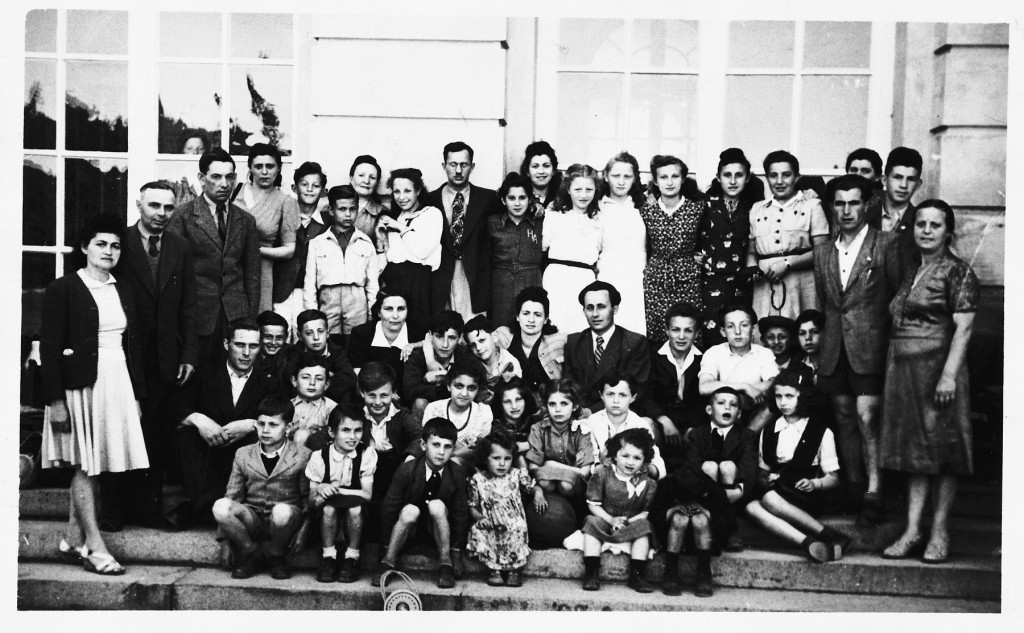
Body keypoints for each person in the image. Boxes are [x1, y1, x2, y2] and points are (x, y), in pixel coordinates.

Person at [40, 213, 148, 575]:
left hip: (117, 381)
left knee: (95, 465)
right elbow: (50, 348)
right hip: (80, 387)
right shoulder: (64, 288)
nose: (109, 251)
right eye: (101, 244)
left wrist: (135, 395)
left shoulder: (124, 289)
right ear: (85, 247)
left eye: (115, 245)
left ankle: (72, 540)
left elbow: (132, 346)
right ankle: (95, 546)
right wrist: (54, 400)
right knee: (87, 466)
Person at [880, 199, 979, 564]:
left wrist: (949, 376)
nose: (926, 230)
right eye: (921, 223)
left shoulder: (958, 272)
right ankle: (912, 530)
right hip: (904, 370)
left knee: (943, 450)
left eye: (935, 225)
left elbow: (964, 328)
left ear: (948, 232)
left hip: (939, 371)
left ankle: (939, 532)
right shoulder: (912, 270)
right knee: (915, 452)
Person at [102, 181, 197, 532]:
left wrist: (188, 352)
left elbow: (188, 303)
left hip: (165, 358)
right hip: (123, 353)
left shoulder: (180, 247)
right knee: (119, 430)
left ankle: (146, 508)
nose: (161, 214)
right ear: (138, 204)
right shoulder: (118, 243)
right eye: (154, 206)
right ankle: (113, 510)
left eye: (168, 208)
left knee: (154, 434)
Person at [813, 174, 904, 527]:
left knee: (868, 418)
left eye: (854, 202)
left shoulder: (887, 244)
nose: (846, 210)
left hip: (871, 348)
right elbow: (827, 304)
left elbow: (898, 297)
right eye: (839, 203)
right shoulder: (823, 252)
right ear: (831, 206)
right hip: (835, 349)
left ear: (867, 204)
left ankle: (874, 492)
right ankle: (853, 487)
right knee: (844, 418)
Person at [167, 318, 283, 529]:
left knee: (258, 438)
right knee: (185, 436)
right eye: (240, 345)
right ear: (226, 344)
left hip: (239, 457)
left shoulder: (269, 381)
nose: (246, 353)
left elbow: (279, 418)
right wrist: (198, 419)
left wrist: (250, 424)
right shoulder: (205, 373)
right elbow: (176, 405)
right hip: (207, 453)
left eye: (253, 346)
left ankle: (198, 509)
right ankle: (213, 506)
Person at [745, 370, 851, 563]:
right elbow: (764, 469)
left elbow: (834, 479)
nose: (783, 402)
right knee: (752, 506)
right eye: (778, 396)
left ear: (803, 397)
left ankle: (825, 533)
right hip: (779, 492)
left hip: (806, 495)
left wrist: (815, 484)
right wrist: (764, 478)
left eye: (789, 396)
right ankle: (807, 542)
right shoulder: (769, 430)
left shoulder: (820, 432)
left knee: (768, 499)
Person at [168, 148, 261, 366]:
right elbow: (174, 273)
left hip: (235, 315)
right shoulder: (183, 215)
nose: (224, 184)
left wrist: (248, 318)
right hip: (198, 316)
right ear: (202, 179)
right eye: (216, 177)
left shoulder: (245, 220)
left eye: (229, 177)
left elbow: (253, 275)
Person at [212, 394, 309, 580]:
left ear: (288, 427)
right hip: (254, 519)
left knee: (282, 512)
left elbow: (308, 499)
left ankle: (276, 554)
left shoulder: (303, 456)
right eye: (261, 424)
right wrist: (225, 541)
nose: (265, 430)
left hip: (285, 519)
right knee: (221, 506)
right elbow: (232, 495)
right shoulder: (243, 454)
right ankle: (252, 551)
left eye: (273, 425)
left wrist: (304, 531)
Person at [376, 417, 469, 589]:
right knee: (410, 510)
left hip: (438, 532)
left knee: (437, 506)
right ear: (423, 445)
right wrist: (385, 545)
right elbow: (389, 509)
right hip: (409, 531)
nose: (441, 452)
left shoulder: (456, 473)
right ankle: (388, 560)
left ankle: (445, 563)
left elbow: (460, 514)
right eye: (436, 445)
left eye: (447, 447)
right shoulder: (408, 469)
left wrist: (456, 554)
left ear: (453, 450)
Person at [746, 150, 829, 323]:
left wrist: (787, 264)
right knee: (765, 333)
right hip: (765, 285)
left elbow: (823, 250)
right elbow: (752, 251)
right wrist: (753, 268)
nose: (779, 181)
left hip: (801, 284)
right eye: (773, 175)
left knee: (802, 332)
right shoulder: (757, 209)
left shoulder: (812, 205)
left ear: (797, 177)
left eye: (786, 175)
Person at [698, 148, 764, 347]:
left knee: (738, 336)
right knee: (711, 336)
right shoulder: (705, 205)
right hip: (709, 284)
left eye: (739, 175)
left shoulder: (754, 208)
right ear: (718, 178)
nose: (733, 181)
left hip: (740, 286)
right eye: (727, 175)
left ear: (748, 177)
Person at [581, 428, 658, 593]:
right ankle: (591, 572)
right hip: (605, 518)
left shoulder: (648, 484)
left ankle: (637, 575)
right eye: (625, 456)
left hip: (631, 521)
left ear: (645, 462)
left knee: (644, 528)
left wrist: (627, 522)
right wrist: (611, 520)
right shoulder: (602, 475)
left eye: (637, 458)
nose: (630, 462)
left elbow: (645, 512)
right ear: (615, 455)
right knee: (591, 523)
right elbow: (593, 505)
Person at [306, 404, 378, 583]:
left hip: (355, 512)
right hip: (327, 513)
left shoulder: (366, 454)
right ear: (332, 432)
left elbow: (367, 495)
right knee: (328, 509)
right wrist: (320, 489)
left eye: (358, 430)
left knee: (355, 510)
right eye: (345, 430)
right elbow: (311, 501)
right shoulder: (319, 456)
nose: (352, 437)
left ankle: (351, 558)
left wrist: (337, 487)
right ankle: (328, 557)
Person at [466, 431, 547, 587]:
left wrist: (539, 493)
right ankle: (493, 569)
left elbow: (532, 486)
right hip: (490, 521)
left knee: (518, 527)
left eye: (507, 459)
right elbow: (472, 506)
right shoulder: (478, 479)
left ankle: (514, 570)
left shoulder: (515, 475)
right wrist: (479, 518)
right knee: (480, 531)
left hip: (512, 520)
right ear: (485, 458)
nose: (502, 464)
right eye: (496, 458)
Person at [427, 141, 496, 321]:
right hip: (441, 278)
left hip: (474, 279)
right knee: (445, 332)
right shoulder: (429, 200)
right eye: (453, 164)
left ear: (472, 167)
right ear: (444, 166)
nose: (458, 170)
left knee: (474, 332)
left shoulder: (488, 199)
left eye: (463, 165)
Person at [639, 155, 704, 344]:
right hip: (656, 278)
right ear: (656, 181)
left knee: (687, 328)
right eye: (663, 177)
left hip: (687, 277)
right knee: (658, 331)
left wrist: (701, 256)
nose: (669, 182)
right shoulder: (645, 208)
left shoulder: (697, 208)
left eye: (674, 176)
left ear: (683, 179)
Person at [562, 280, 652, 415]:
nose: (595, 314)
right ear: (584, 311)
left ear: (615, 309)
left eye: (601, 307)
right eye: (590, 308)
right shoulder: (573, 342)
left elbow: (636, 391)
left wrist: (591, 411)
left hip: (619, 415)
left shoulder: (634, 343)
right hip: (579, 417)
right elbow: (568, 388)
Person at [687, 386, 758, 552]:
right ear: (709, 409)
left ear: (739, 413)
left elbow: (749, 466)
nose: (727, 407)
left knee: (728, 466)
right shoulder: (697, 435)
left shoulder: (746, 435)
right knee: (708, 466)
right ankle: (707, 530)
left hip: (732, 494)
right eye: (721, 403)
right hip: (704, 492)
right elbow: (692, 464)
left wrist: (739, 489)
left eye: (733, 405)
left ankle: (729, 531)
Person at [357, 362, 423, 538]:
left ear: (393, 392)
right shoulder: (356, 414)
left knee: (392, 500)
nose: (378, 402)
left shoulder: (402, 414)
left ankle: (389, 540)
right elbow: (329, 434)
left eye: (384, 395)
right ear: (362, 392)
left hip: (394, 465)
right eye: (371, 395)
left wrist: (410, 457)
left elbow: (419, 437)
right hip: (366, 468)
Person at [303, 184, 379, 339]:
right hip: (328, 300)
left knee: (356, 344)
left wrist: (373, 315)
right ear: (331, 210)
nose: (348, 214)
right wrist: (312, 315)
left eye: (353, 209)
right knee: (329, 344)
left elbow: (372, 284)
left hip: (357, 301)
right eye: (342, 209)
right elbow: (310, 284)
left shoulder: (365, 242)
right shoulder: (318, 243)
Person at [376, 168, 443, 339]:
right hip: (393, 281)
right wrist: (380, 238)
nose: (401, 197)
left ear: (418, 191)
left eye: (407, 190)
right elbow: (385, 260)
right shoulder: (393, 217)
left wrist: (399, 227)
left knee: (416, 331)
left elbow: (422, 251)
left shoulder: (431, 214)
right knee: (392, 333)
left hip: (418, 282)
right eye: (396, 191)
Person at [233, 143, 300, 313]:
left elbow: (289, 250)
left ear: (278, 169)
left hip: (262, 271)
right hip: (231, 267)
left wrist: (256, 250)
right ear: (250, 168)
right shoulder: (234, 192)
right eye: (258, 166)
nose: (264, 172)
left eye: (270, 166)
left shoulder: (286, 202)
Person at [542, 163, 603, 334]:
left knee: (581, 327)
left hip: (585, 278)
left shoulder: (599, 218)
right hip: (557, 277)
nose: (583, 195)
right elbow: (542, 246)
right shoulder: (554, 215)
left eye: (588, 190)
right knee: (556, 325)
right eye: (577, 189)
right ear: (568, 189)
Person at [698, 304, 779, 433]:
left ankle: (746, 440)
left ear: (753, 329)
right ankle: (736, 442)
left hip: (755, 407)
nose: (737, 332)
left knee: (772, 404)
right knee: (733, 400)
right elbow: (704, 387)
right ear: (723, 331)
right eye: (730, 326)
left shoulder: (764, 353)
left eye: (744, 325)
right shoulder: (714, 352)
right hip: (725, 409)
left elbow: (774, 383)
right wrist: (745, 387)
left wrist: (748, 393)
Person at [274, 161, 330, 339]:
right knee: (280, 332)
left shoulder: (328, 222)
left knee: (304, 334)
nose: (309, 190)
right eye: (304, 184)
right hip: (281, 287)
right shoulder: (282, 214)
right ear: (294, 187)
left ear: (323, 191)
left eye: (315, 186)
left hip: (310, 291)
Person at [596, 152, 648, 334]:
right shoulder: (598, 208)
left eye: (627, 176)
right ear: (606, 176)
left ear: (634, 179)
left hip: (636, 280)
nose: (621, 181)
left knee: (634, 330)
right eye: (616, 176)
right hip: (608, 276)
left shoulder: (643, 208)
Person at [644, 301, 705, 456]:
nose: (681, 337)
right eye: (676, 330)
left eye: (688, 330)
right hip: (662, 421)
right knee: (646, 424)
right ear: (667, 331)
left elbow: (704, 400)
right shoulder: (652, 355)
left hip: (693, 422)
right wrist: (663, 419)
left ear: (697, 333)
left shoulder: (704, 358)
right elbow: (644, 395)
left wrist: (693, 427)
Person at [586, 372, 666, 481]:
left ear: (633, 398)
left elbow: (658, 466)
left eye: (623, 395)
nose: (616, 401)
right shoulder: (592, 422)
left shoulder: (640, 424)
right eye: (610, 394)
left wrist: (646, 468)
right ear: (601, 396)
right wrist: (600, 464)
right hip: (601, 480)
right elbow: (589, 461)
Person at [525, 378, 596, 500]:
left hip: (575, 489)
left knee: (566, 483)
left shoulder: (582, 429)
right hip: (548, 488)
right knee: (544, 481)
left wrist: (551, 464)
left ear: (575, 406)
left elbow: (584, 472)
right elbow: (533, 468)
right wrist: (566, 471)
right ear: (546, 406)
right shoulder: (538, 429)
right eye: (552, 404)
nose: (558, 409)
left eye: (564, 403)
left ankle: (574, 513)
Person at [488, 172, 544, 326]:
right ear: (503, 200)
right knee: (501, 328)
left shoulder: (540, 222)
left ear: (530, 199)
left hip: (532, 280)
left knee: (530, 324)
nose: (517, 203)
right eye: (512, 198)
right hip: (501, 284)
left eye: (522, 198)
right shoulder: (493, 223)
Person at [492, 286, 567, 398]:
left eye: (537, 315)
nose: (531, 320)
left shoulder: (558, 342)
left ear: (546, 319)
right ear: (518, 316)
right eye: (526, 313)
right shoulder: (503, 337)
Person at [422, 361, 494, 468]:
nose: (464, 393)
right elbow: (429, 448)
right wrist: (461, 451)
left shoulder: (483, 412)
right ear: (449, 386)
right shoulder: (434, 409)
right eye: (459, 386)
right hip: (434, 466)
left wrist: (455, 455)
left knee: (455, 462)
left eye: (471, 388)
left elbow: (479, 454)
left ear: (478, 389)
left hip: (468, 469)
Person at [280, 309, 359, 406]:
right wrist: (328, 375)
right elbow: (289, 379)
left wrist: (319, 392)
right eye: (309, 333)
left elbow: (349, 376)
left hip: (330, 401)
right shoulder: (293, 353)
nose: (316, 337)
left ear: (328, 333)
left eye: (320, 331)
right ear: (300, 336)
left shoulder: (336, 351)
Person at [347, 290, 416, 395]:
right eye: (389, 309)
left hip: (406, 394)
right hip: (371, 395)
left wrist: (416, 344)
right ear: (379, 312)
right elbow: (358, 375)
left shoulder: (417, 334)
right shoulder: (362, 334)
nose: (395, 316)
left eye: (401, 309)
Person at [403, 310, 467, 421]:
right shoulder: (417, 355)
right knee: (419, 403)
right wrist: (444, 387)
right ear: (430, 336)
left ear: (460, 338)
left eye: (451, 338)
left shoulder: (464, 355)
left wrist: (431, 381)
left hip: (457, 409)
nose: (445, 344)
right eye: (439, 337)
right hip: (428, 412)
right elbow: (410, 390)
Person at [463, 314, 522, 402]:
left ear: (494, 337)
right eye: (473, 345)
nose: (478, 348)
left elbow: (514, 395)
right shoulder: (470, 363)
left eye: (482, 340)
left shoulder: (510, 362)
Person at [866, 146, 923, 238]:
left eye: (911, 179)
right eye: (897, 177)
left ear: (918, 184)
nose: (904, 185)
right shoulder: (865, 216)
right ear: (884, 180)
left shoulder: (921, 221)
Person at [289, 353, 337, 451]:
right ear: (294, 381)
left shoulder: (332, 408)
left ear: (327, 384)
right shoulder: (286, 406)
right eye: (305, 377)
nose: (312, 383)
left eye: (319, 379)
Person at [490, 376, 539, 467]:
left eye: (518, 399)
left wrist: (526, 445)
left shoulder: (534, 420)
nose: (514, 406)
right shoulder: (496, 425)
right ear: (500, 404)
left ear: (526, 399)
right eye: (507, 401)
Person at [757, 315, 813, 384]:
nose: (776, 342)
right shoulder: (757, 366)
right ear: (763, 340)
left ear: (792, 340)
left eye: (782, 337)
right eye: (770, 337)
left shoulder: (803, 366)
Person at [349, 155, 388, 247]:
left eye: (372, 177)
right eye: (361, 175)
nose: (366, 181)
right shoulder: (332, 207)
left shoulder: (382, 213)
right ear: (351, 178)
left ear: (377, 182)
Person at [519, 140, 561, 212]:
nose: (541, 171)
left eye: (546, 166)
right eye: (535, 166)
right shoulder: (518, 196)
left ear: (553, 170)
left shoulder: (561, 197)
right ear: (527, 171)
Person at [254, 310, 291, 386]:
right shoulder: (250, 353)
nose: (273, 343)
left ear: (286, 337)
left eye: (279, 338)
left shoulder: (290, 356)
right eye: (268, 337)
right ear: (258, 335)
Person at [794, 309, 825, 383]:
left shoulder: (833, 364)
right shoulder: (798, 365)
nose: (808, 337)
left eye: (814, 332)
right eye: (802, 333)